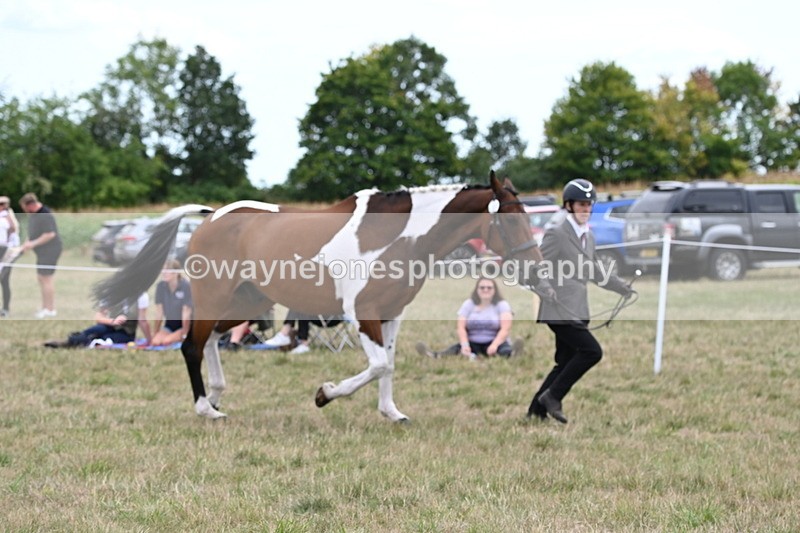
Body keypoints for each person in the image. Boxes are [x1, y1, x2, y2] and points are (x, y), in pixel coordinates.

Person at [527, 179, 635, 424]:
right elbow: (536, 267)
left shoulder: (589, 236)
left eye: (588, 205)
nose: (585, 209)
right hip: (558, 307)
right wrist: (545, 287)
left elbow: (594, 270)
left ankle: (536, 411)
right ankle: (553, 396)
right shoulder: (557, 233)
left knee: (564, 362)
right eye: (580, 204)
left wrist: (620, 286)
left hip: (578, 307)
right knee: (591, 352)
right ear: (569, 206)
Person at [416, 277, 524, 359]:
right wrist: (465, 345)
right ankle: (433, 355)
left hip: (495, 341)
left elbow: (505, 329)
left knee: (504, 351)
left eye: (489, 288)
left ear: (495, 290)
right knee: (454, 350)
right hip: (473, 342)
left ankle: (513, 354)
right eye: (482, 287)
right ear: (477, 289)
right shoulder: (469, 304)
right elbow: (461, 327)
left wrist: (494, 345)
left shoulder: (502, 305)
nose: (485, 290)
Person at [44, 293, 152, 348]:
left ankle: (78, 343)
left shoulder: (141, 296)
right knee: (94, 330)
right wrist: (113, 321)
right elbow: (98, 317)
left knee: (104, 339)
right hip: (109, 325)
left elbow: (142, 320)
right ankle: (69, 342)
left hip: (126, 333)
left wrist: (149, 340)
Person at [19, 192, 62, 318]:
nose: (25, 211)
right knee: (41, 278)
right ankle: (45, 307)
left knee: (46, 278)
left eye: (25, 208)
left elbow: (50, 234)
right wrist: (26, 243)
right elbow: (33, 233)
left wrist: (32, 244)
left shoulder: (45, 215)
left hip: (50, 250)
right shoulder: (34, 215)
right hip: (42, 252)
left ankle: (50, 309)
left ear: (31, 205)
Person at [150, 259, 193, 346]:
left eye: (167, 270)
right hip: (170, 325)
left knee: (166, 341)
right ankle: (171, 336)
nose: (164, 273)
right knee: (155, 342)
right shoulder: (161, 286)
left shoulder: (185, 286)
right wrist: (155, 332)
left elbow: (186, 313)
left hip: (185, 325)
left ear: (176, 273)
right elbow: (159, 313)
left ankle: (184, 336)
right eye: (163, 270)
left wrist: (185, 334)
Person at [264, 310, 343, 354]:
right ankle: (287, 335)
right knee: (300, 302)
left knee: (301, 302)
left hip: (333, 317)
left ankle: (286, 334)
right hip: (319, 315)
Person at [0, 196, 21, 317]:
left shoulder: (5, 218)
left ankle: (5, 308)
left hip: (5, 252)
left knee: (4, 280)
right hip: (5, 250)